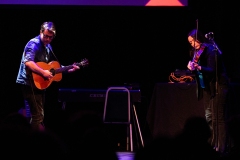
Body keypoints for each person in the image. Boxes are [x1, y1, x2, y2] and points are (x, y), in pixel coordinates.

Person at [16, 21, 80, 131]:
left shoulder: (48, 47)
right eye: (46, 36)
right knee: (37, 116)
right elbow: (28, 62)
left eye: (51, 37)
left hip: (39, 83)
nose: (48, 39)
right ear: (41, 32)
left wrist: (68, 69)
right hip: (29, 82)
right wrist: (43, 72)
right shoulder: (33, 44)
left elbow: (52, 68)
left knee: (39, 116)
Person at [187, 29, 230, 155]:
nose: (192, 45)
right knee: (209, 117)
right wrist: (192, 68)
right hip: (206, 87)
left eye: (192, 41)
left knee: (219, 118)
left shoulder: (211, 50)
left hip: (218, 86)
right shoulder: (196, 52)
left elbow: (212, 70)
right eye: (190, 43)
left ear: (198, 38)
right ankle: (211, 144)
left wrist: (199, 67)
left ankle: (221, 147)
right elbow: (198, 71)